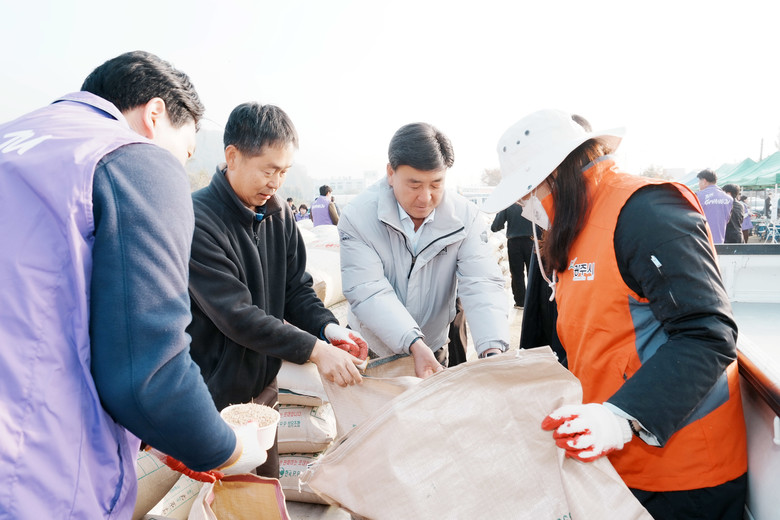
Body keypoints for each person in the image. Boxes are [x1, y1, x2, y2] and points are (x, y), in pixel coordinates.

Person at [0, 51, 260, 519]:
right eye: (183, 151)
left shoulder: (17, 140)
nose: (179, 167)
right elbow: (150, 377)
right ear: (154, 114)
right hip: (36, 480)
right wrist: (226, 447)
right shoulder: (128, 158)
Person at [483, 109, 747, 519]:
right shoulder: (574, 226)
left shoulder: (647, 211)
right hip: (616, 461)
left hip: (683, 474)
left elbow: (708, 333)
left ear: (554, 175)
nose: (524, 206)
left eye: (526, 192)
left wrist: (622, 418)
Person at [187, 102, 366, 479]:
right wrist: (315, 352)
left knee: (262, 493)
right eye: (268, 170)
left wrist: (329, 330)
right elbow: (237, 316)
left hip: (262, 391)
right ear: (232, 157)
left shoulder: (278, 213)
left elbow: (296, 290)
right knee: (219, 498)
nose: (275, 182)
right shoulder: (198, 221)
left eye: (283, 172)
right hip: (212, 395)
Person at [338, 122, 510, 378]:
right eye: (414, 185)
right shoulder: (359, 216)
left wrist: (492, 348)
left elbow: (481, 281)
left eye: (436, 184)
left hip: (432, 346)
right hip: (373, 350)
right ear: (390, 173)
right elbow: (368, 290)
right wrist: (412, 342)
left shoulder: (464, 217)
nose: (425, 197)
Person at [490, 203, 540, 308]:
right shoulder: (533, 201)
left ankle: (521, 302)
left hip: (514, 243)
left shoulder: (509, 203)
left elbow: (495, 227)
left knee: (517, 273)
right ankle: (535, 301)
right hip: (532, 241)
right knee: (534, 273)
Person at [695, 168, 732, 244]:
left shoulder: (698, 196)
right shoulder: (729, 198)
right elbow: (727, 219)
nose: (698, 184)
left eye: (699, 181)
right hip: (720, 240)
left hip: (702, 240)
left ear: (704, 181)